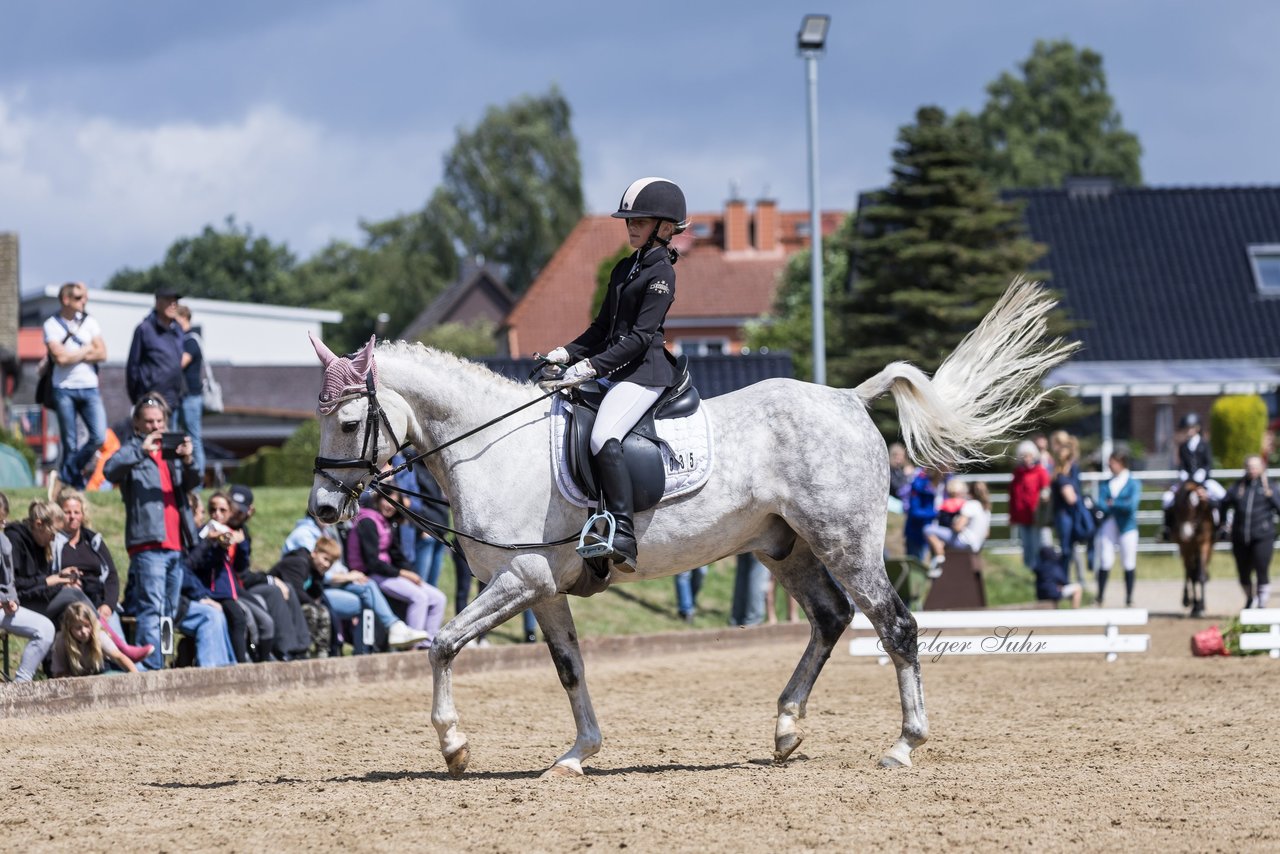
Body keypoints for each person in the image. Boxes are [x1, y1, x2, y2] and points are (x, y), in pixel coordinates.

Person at [542, 177, 688, 572]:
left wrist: (588, 367)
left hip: (644, 373)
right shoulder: (625, 268)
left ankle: (622, 531)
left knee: (604, 434)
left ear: (666, 227)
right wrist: (564, 353)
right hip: (615, 370)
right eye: (629, 220)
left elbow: (641, 338)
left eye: (641, 220)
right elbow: (601, 328)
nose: (631, 226)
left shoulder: (662, 274)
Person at [104, 393, 199, 670]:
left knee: (168, 611)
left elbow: (191, 484)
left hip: (175, 543)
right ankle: (151, 668)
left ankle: (163, 662)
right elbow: (110, 470)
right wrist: (140, 450)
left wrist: (189, 459)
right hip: (148, 544)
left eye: (159, 421)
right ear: (138, 424)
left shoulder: (171, 454)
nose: (155, 426)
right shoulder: (133, 450)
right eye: (149, 422)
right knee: (152, 609)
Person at [52, 488, 152, 663]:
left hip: (98, 601)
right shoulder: (54, 543)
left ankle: (128, 666)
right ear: (59, 514)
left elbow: (112, 575)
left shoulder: (93, 541)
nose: (72, 516)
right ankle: (124, 653)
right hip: (71, 604)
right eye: (67, 512)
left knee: (107, 616)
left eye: (77, 512)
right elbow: (49, 575)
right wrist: (64, 584)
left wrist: (108, 604)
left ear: (83, 515)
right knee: (86, 614)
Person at [346, 492, 447, 647]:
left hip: (388, 573)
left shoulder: (387, 523)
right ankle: (410, 647)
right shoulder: (368, 522)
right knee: (419, 597)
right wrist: (403, 573)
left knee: (439, 598)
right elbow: (372, 562)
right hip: (372, 574)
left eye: (394, 503)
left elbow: (396, 555)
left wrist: (410, 573)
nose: (390, 506)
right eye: (387, 501)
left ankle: (427, 645)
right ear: (378, 500)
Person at [43, 281, 108, 491]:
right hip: (64, 388)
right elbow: (60, 359)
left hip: (90, 387)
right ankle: (75, 485)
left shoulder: (90, 322)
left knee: (98, 436)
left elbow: (102, 353)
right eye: (79, 297)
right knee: (69, 442)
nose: (84, 301)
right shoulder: (51, 325)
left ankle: (65, 475)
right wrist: (86, 351)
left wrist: (72, 354)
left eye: (85, 297)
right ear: (66, 300)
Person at [7, 499, 97, 630]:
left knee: (67, 613)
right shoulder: (15, 539)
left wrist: (60, 578)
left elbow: (42, 583)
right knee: (74, 594)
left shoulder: (41, 543)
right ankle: (102, 631)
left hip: (38, 598)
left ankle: (95, 641)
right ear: (39, 524)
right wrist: (49, 580)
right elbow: (14, 584)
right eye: (53, 533)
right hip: (18, 603)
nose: (54, 538)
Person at [0, 492, 56, 682]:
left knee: (45, 629)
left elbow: (9, 582)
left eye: (2, 521)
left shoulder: (4, 543)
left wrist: (10, 599)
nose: (2, 527)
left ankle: (20, 687)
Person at [1222, 454, 1280, 609]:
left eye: (1255, 467)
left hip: (1263, 536)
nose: (1252, 470)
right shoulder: (1238, 487)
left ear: (1261, 468)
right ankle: (1250, 598)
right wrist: (1223, 524)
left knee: (1262, 568)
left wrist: (1271, 496)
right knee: (1243, 573)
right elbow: (1224, 503)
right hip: (1240, 536)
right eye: (1249, 467)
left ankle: (1262, 602)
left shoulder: (1270, 487)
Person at [1161, 413, 1227, 539]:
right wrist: (1183, 473)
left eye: (1190, 428)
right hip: (1187, 481)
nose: (1188, 431)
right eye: (1186, 428)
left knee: (1222, 496)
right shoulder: (1183, 446)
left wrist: (1202, 473)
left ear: (1197, 428)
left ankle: (1223, 525)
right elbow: (1181, 464)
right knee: (1167, 498)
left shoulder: (1205, 444)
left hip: (1203, 481)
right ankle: (1167, 527)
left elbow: (1208, 463)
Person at [270, 540, 337, 658]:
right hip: (278, 604)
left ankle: (322, 654)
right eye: (325, 559)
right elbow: (296, 593)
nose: (327, 565)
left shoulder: (315, 570)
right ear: (314, 553)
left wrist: (318, 578)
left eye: (330, 563)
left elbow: (316, 595)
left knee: (323, 611)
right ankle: (301, 652)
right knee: (311, 610)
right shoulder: (297, 562)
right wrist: (314, 603)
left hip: (293, 605)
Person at [125, 285, 185, 410]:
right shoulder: (144, 329)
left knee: (171, 430)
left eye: (175, 302)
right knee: (152, 428)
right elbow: (133, 366)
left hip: (173, 398)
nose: (173, 305)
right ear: (158, 303)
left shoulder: (178, 330)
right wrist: (137, 398)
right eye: (168, 301)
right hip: (151, 398)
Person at [1096, 449, 1142, 607]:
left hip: (1127, 525)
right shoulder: (1106, 483)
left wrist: (1113, 503)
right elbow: (1101, 503)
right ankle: (1100, 596)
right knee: (1105, 559)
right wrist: (1117, 505)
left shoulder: (1132, 482)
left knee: (1128, 561)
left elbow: (1131, 506)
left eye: (1113, 462)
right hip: (1109, 523)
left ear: (1121, 463)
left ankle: (1129, 597)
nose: (1110, 465)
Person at [923, 480, 992, 578]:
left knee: (928, 529)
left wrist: (954, 523)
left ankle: (939, 557)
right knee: (944, 539)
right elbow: (986, 534)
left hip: (964, 543)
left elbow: (958, 527)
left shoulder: (971, 504)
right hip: (976, 547)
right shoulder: (986, 509)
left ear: (969, 493)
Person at [50, 601, 137, 677]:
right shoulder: (62, 641)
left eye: (87, 626)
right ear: (69, 628)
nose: (84, 631)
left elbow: (119, 657)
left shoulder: (99, 636)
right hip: (76, 676)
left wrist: (136, 676)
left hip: (102, 671)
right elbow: (58, 672)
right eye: (78, 628)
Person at [1049, 432, 1089, 585]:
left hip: (1070, 513)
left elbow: (1073, 495)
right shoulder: (1059, 472)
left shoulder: (1071, 469)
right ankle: (1064, 580)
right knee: (1066, 549)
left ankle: (1073, 580)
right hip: (1063, 514)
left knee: (1071, 548)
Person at [174, 305, 206, 481]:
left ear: (184, 317)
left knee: (194, 439)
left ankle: (198, 480)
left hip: (191, 397)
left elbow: (179, 363)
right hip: (181, 397)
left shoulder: (191, 340)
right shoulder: (181, 340)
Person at [1009, 440, 1051, 570]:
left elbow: (1046, 489)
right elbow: (1013, 495)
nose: (1027, 459)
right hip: (1022, 515)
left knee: (1036, 544)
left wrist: (1044, 497)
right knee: (1026, 545)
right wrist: (1012, 515)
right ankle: (1028, 569)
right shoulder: (1017, 473)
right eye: (1024, 456)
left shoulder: (1040, 471)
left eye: (1029, 456)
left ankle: (1038, 569)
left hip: (1035, 515)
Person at [904, 468, 946, 562]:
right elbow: (915, 511)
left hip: (938, 534)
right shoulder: (919, 485)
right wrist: (936, 514)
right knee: (917, 567)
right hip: (917, 534)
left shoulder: (945, 485)